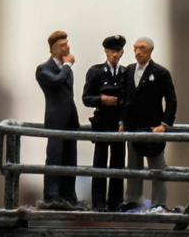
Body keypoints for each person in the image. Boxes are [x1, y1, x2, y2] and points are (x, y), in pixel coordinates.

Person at [121, 36, 178, 211]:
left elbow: (171, 100)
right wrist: (122, 121)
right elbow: (125, 97)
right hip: (133, 127)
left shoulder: (160, 73)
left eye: (142, 48)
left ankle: (159, 202)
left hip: (153, 128)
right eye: (135, 48)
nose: (138, 52)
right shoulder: (129, 71)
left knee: (157, 167)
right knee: (133, 166)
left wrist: (165, 124)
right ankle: (133, 199)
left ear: (151, 50)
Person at [83, 35, 131, 212]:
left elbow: (129, 99)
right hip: (102, 122)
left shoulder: (126, 73)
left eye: (118, 51)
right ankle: (98, 202)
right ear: (106, 52)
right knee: (100, 164)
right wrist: (103, 100)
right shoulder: (96, 72)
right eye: (111, 51)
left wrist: (124, 120)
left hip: (119, 124)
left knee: (118, 164)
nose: (115, 55)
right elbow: (86, 98)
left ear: (122, 52)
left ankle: (116, 202)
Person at [37, 30, 80, 206]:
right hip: (55, 119)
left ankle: (69, 194)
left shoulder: (65, 69)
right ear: (53, 48)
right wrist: (67, 66)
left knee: (71, 157)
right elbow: (55, 82)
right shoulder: (44, 69)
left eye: (67, 44)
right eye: (63, 45)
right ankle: (52, 194)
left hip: (69, 117)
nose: (67, 47)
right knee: (55, 156)